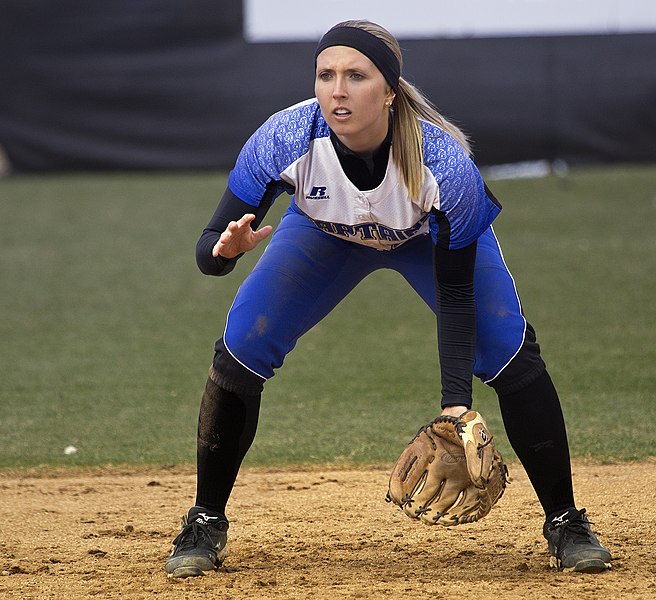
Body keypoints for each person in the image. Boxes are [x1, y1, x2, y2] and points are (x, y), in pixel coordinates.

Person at [165, 19, 611, 578]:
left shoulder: (442, 164)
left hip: (424, 241)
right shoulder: (285, 138)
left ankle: (567, 523)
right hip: (325, 235)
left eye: (356, 75)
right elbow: (208, 251)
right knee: (241, 346)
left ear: (390, 91)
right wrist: (225, 252)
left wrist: (455, 405)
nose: (337, 89)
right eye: (325, 75)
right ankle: (205, 522)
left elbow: (455, 293)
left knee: (508, 352)